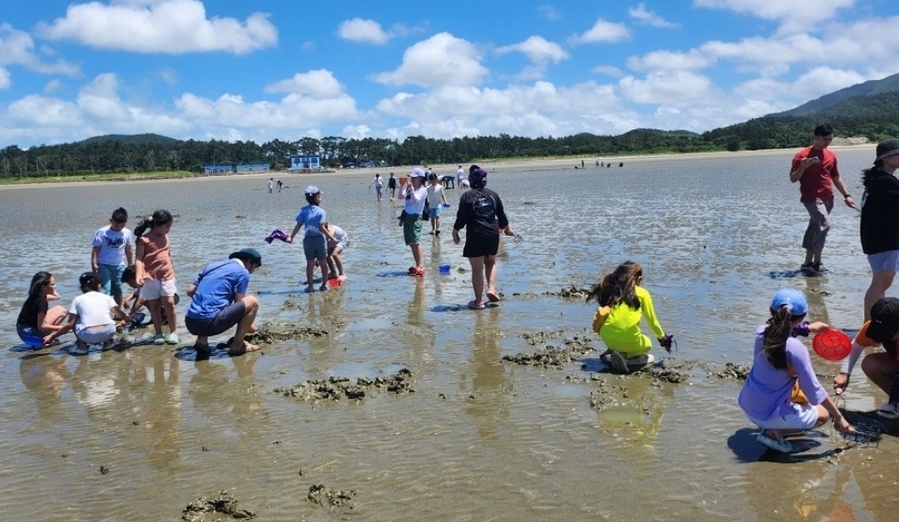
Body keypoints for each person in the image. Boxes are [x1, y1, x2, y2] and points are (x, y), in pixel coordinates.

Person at [738, 289, 853, 453]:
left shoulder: (760, 332)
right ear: (802, 316)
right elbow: (815, 392)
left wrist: (807, 329)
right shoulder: (796, 349)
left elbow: (780, 331)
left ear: (772, 312)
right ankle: (773, 433)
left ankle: (774, 426)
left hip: (748, 404)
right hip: (765, 414)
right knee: (823, 414)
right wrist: (840, 418)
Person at [789, 124, 856, 275]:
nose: (828, 142)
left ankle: (807, 263)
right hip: (811, 198)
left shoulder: (831, 155)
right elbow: (793, 179)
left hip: (828, 197)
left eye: (830, 139)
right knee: (825, 225)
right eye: (825, 139)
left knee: (814, 228)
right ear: (816, 137)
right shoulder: (802, 155)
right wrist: (803, 167)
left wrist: (847, 195)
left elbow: (836, 177)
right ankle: (817, 263)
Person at [584, 261, 669, 373]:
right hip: (629, 341)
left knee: (618, 333)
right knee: (648, 344)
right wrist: (663, 339)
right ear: (637, 278)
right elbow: (652, 322)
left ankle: (615, 352)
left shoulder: (611, 290)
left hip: (607, 338)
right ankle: (626, 358)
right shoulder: (643, 294)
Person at [452, 166, 514, 309]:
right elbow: (502, 216)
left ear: (471, 181)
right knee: (491, 262)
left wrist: (455, 231)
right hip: (492, 233)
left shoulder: (466, 197)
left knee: (477, 268)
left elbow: (461, 217)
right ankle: (491, 288)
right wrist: (508, 229)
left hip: (475, 234)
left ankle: (479, 302)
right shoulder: (493, 195)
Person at [184, 248, 262, 356]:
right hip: (209, 324)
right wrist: (250, 326)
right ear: (249, 262)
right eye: (255, 268)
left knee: (207, 303)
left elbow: (190, 291)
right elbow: (240, 303)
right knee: (253, 302)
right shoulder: (243, 272)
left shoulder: (212, 266)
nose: (252, 271)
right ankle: (238, 345)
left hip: (190, 322)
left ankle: (201, 341)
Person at [834, 297, 899, 419]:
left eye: (887, 333)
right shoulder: (874, 326)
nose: (881, 337)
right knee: (871, 363)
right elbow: (855, 348)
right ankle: (897, 403)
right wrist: (844, 373)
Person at [860, 139, 899, 319]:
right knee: (881, 283)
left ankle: (875, 324)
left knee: (881, 283)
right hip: (883, 240)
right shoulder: (885, 181)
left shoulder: (877, 179)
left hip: (877, 239)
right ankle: (870, 327)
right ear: (885, 158)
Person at [134, 209, 179, 345]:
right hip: (150, 276)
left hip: (167, 275)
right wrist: (138, 275)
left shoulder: (165, 237)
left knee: (169, 303)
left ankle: (173, 332)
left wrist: (173, 269)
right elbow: (139, 259)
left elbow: (168, 254)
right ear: (157, 225)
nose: (168, 229)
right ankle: (158, 333)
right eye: (167, 226)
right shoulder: (144, 240)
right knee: (154, 305)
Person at [64, 271, 128, 355]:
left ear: (82, 287)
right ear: (99, 285)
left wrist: (53, 336)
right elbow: (121, 315)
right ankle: (108, 343)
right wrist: (127, 318)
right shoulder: (107, 297)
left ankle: (82, 347)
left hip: (87, 335)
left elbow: (70, 324)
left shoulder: (77, 299)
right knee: (103, 314)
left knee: (76, 317)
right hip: (108, 332)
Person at [286, 185, 336, 292]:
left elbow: (298, 225)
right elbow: (321, 227)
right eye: (320, 196)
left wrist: (291, 237)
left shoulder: (303, 210)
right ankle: (323, 285)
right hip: (319, 239)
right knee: (323, 262)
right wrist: (331, 238)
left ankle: (310, 286)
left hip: (307, 240)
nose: (321, 198)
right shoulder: (321, 211)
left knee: (310, 263)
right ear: (317, 197)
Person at [90, 207, 133, 306]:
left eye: (122, 225)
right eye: (116, 225)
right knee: (106, 289)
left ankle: (117, 313)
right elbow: (95, 249)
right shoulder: (102, 232)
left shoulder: (127, 233)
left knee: (118, 289)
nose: (119, 228)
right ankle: (104, 313)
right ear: (111, 220)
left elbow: (128, 249)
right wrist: (94, 263)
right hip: (103, 264)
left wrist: (130, 264)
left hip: (119, 265)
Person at [16, 271, 71, 346]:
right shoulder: (41, 302)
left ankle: (42, 340)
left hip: (23, 331)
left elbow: (57, 297)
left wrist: (51, 287)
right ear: (43, 287)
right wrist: (62, 328)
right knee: (62, 311)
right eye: (52, 284)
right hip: (31, 336)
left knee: (59, 309)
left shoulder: (34, 295)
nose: (55, 287)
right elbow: (41, 326)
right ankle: (44, 340)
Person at [399, 168, 429, 276]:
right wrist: (402, 185)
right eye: (411, 177)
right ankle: (417, 265)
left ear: (420, 178)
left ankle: (421, 265)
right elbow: (400, 196)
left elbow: (416, 200)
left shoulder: (422, 189)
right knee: (411, 242)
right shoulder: (410, 188)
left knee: (416, 241)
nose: (412, 179)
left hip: (416, 216)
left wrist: (411, 187)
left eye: (414, 177)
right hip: (407, 216)